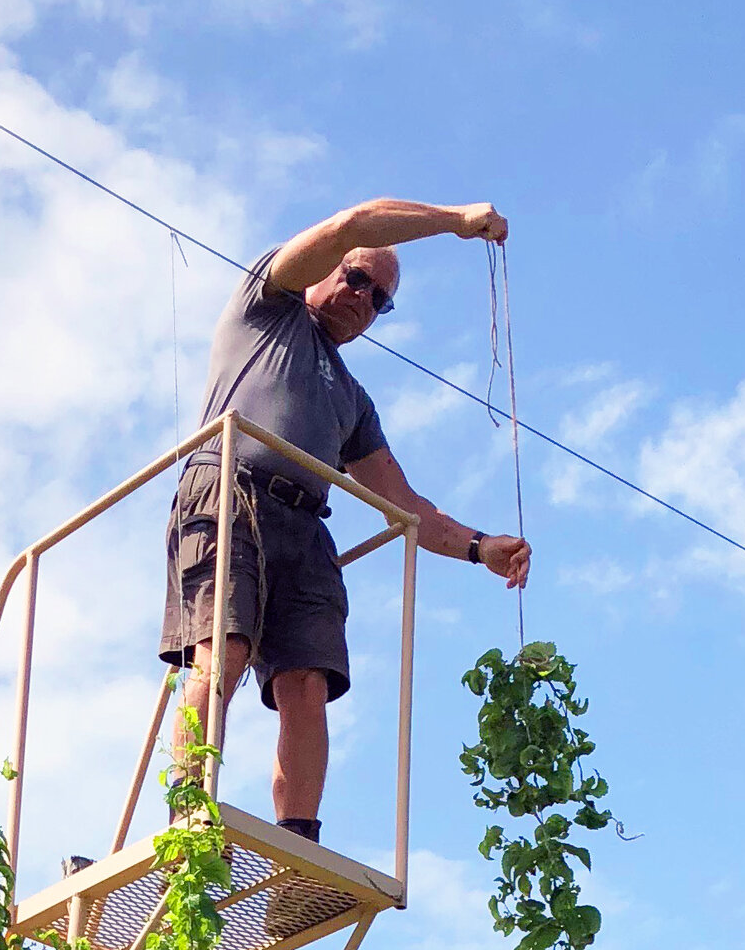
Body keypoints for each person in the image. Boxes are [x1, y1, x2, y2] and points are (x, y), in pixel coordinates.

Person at [160, 198, 533, 843]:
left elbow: (408, 506)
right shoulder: (267, 306)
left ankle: (298, 840)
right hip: (230, 490)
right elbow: (352, 226)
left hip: (305, 527)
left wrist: (481, 547)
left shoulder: (351, 399)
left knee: (308, 681)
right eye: (356, 277)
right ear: (324, 270)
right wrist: (453, 221)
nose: (363, 297)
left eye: (379, 299)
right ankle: (190, 815)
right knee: (224, 651)